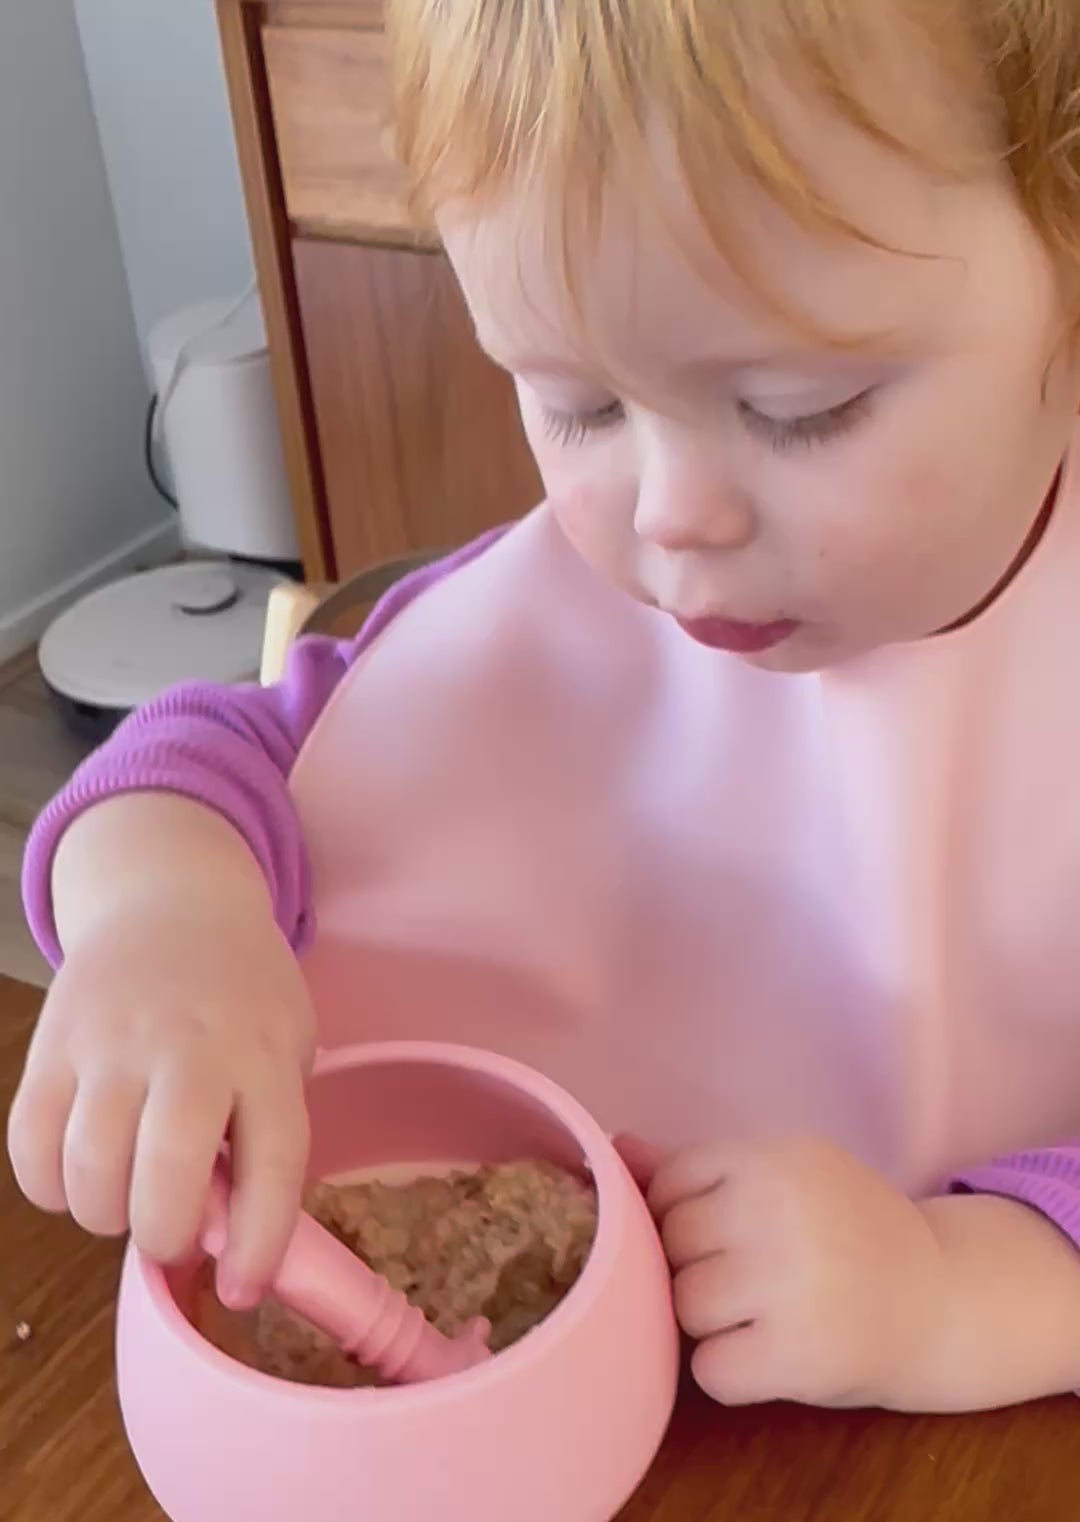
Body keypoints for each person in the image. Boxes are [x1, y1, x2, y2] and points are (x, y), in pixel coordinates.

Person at [9, 0, 1080, 1413]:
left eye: (802, 406)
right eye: (577, 403)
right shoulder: (544, 631)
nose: (672, 514)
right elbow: (206, 763)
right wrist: (166, 919)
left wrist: (953, 1293)